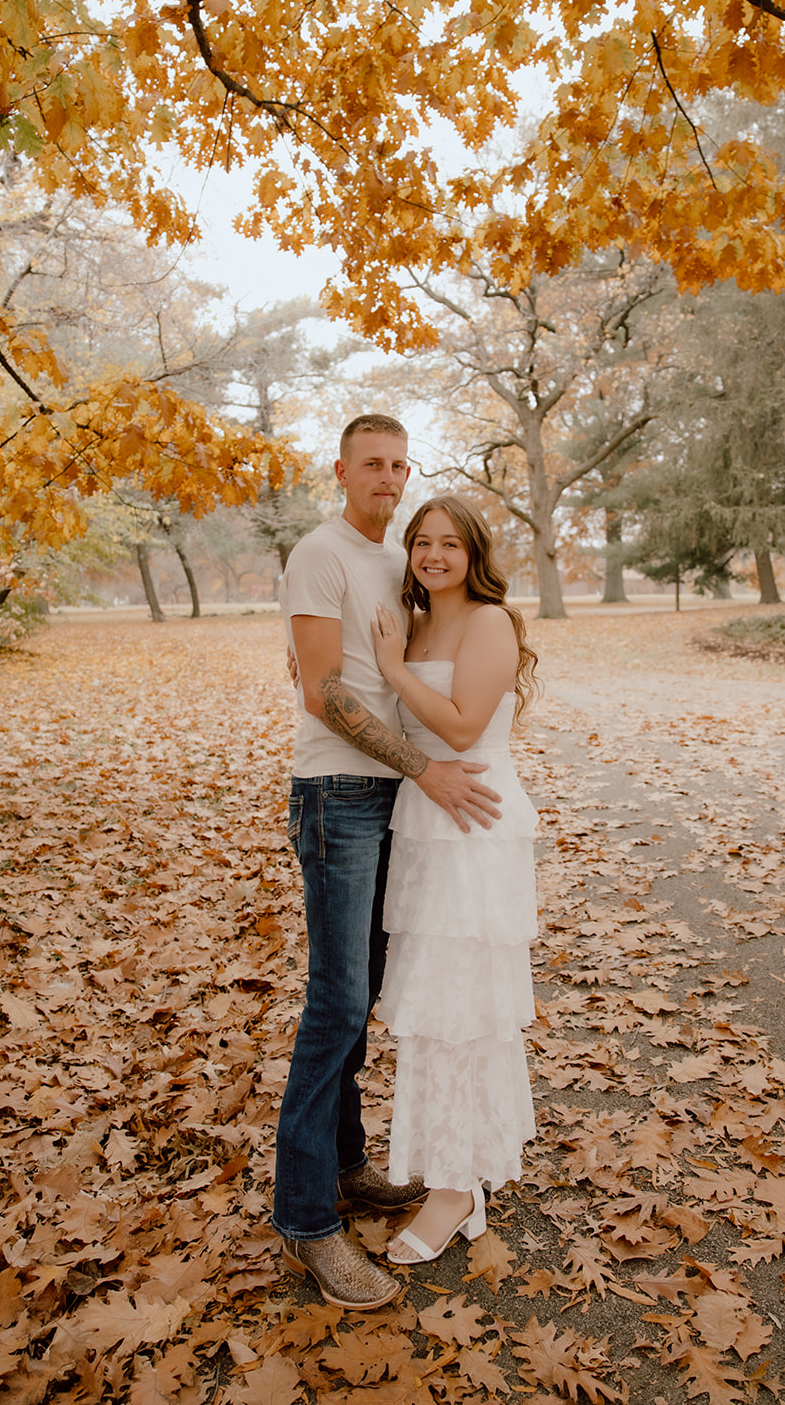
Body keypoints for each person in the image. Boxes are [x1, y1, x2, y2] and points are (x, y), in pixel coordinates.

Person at [273, 417, 503, 1311]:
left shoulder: (396, 561)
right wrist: (425, 769)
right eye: (372, 463)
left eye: (400, 464)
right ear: (341, 470)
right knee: (334, 1001)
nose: (388, 477)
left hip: (390, 799)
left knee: (360, 993)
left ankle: (344, 1166)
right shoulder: (319, 553)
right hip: (338, 793)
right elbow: (321, 690)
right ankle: (305, 1222)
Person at [369, 494, 540, 1264]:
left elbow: (464, 726)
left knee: (461, 1004)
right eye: (421, 543)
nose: (433, 556)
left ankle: (454, 1188)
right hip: (422, 823)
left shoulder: (487, 621)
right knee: (430, 1007)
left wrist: (391, 670)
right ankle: (453, 1168)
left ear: (473, 554)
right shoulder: (411, 623)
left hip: (473, 820)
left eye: (449, 544)